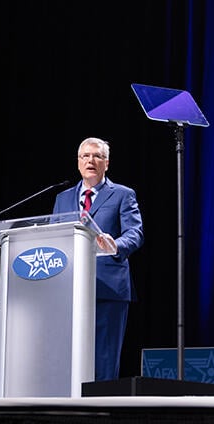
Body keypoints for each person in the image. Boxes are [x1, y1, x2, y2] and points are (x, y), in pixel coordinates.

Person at [52, 137, 144, 381]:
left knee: (103, 362)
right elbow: (54, 237)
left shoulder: (123, 194)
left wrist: (116, 245)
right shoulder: (62, 198)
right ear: (78, 162)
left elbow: (135, 233)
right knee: (67, 359)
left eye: (97, 156)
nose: (90, 160)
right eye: (85, 156)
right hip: (69, 289)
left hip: (108, 288)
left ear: (107, 163)